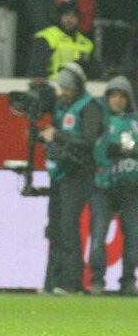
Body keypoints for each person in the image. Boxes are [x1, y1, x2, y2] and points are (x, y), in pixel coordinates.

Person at [38, 62, 103, 295]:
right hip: (60, 171)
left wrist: (56, 135)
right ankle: (53, 280)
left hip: (79, 172)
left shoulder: (90, 107)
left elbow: (88, 141)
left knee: (68, 226)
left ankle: (71, 282)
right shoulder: (64, 105)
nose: (62, 92)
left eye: (66, 87)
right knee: (55, 226)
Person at [90, 76, 138, 296]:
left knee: (134, 239)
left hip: (131, 189)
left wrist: (122, 149)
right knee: (98, 237)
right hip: (103, 188)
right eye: (114, 95)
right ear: (107, 97)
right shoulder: (99, 119)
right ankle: (97, 282)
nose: (118, 100)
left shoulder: (134, 121)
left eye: (122, 96)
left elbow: (128, 149)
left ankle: (128, 282)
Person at [27, 4, 96, 80]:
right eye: (66, 15)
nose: (69, 19)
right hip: (54, 86)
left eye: (74, 16)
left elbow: (94, 71)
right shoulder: (46, 37)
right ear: (59, 16)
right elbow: (36, 70)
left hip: (80, 88)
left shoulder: (87, 43)